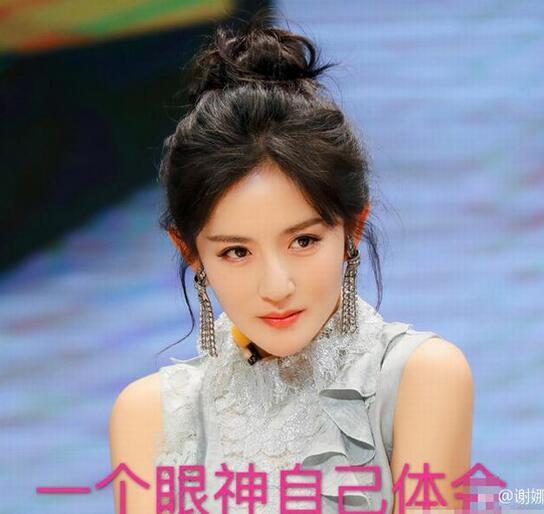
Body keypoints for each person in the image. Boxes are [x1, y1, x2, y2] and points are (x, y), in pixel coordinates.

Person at [109, 14, 473, 514]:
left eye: (303, 241)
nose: (276, 286)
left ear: (353, 228)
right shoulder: (149, 415)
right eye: (237, 252)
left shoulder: (419, 378)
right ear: (190, 252)